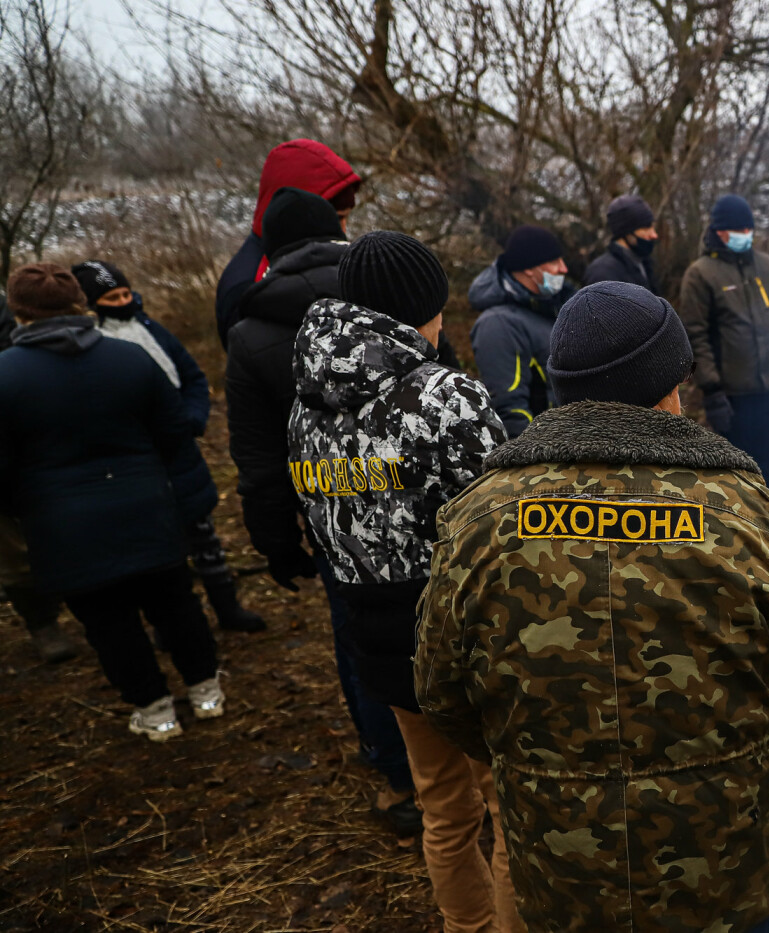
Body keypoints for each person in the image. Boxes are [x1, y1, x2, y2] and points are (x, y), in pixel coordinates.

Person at [416, 280, 769, 933]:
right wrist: (761, 761)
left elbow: (442, 689)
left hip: (562, 866)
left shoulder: (479, 518)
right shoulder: (742, 510)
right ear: (670, 386)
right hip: (721, 865)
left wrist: (538, 758)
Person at [288, 231, 519, 933]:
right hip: (471, 636)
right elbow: (508, 521)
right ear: (422, 306)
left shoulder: (306, 403)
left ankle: (466, 926)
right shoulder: (443, 395)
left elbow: (319, 519)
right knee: (516, 813)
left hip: (379, 636)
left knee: (444, 806)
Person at [225, 187, 420, 836]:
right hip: (417, 506)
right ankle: (454, 761)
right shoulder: (385, 286)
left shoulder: (250, 331)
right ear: (337, 228)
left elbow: (258, 459)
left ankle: (397, 769)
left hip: (334, 514)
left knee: (360, 636)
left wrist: (276, 541)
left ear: (271, 249)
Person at [0, 264, 224, 741]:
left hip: (62, 525)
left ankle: (155, 709)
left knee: (107, 622)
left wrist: (24, 510)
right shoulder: (129, 359)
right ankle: (206, 691)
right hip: (147, 507)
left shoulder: (5, 377)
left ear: (18, 311)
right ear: (79, 302)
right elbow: (175, 439)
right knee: (176, 603)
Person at [71, 260, 266, 634]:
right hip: (137, 462)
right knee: (159, 546)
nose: (124, 301)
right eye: (113, 297)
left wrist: (191, 419)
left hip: (180, 454)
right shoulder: (94, 346)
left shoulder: (150, 328)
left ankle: (228, 608)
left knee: (203, 534)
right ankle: (171, 625)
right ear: (92, 304)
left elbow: (191, 374)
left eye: (126, 293)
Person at [678, 194, 769, 485]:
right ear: (720, 232)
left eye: (749, 229)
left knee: (766, 463)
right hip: (733, 395)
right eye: (739, 230)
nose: (746, 235)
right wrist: (712, 392)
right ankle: (739, 527)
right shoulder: (700, 274)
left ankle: (767, 524)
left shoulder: (767, 265)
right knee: (738, 472)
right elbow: (696, 336)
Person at [215, 139, 361, 346]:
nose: (343, 231)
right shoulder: (245, 285)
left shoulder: (322, 262)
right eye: (337, 219)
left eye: (346, 218)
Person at [0, 294, 76, 664]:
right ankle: (42, 622)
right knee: (11, 548)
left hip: (18, 419)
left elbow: (11, 341)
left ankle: (85, 599)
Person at [468, 224, 573, 437]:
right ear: (528, 268)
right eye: (554, 262)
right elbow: (509, 409)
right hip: (544, 456)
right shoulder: (498, 324)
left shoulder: (552, 309)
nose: (564, 269)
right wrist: (534, 461)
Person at [583, 194, 660, 292]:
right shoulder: (602, 274)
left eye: (652, 227)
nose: (654, 235)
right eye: (645, 228)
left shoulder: (643, 263)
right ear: (626, 232)